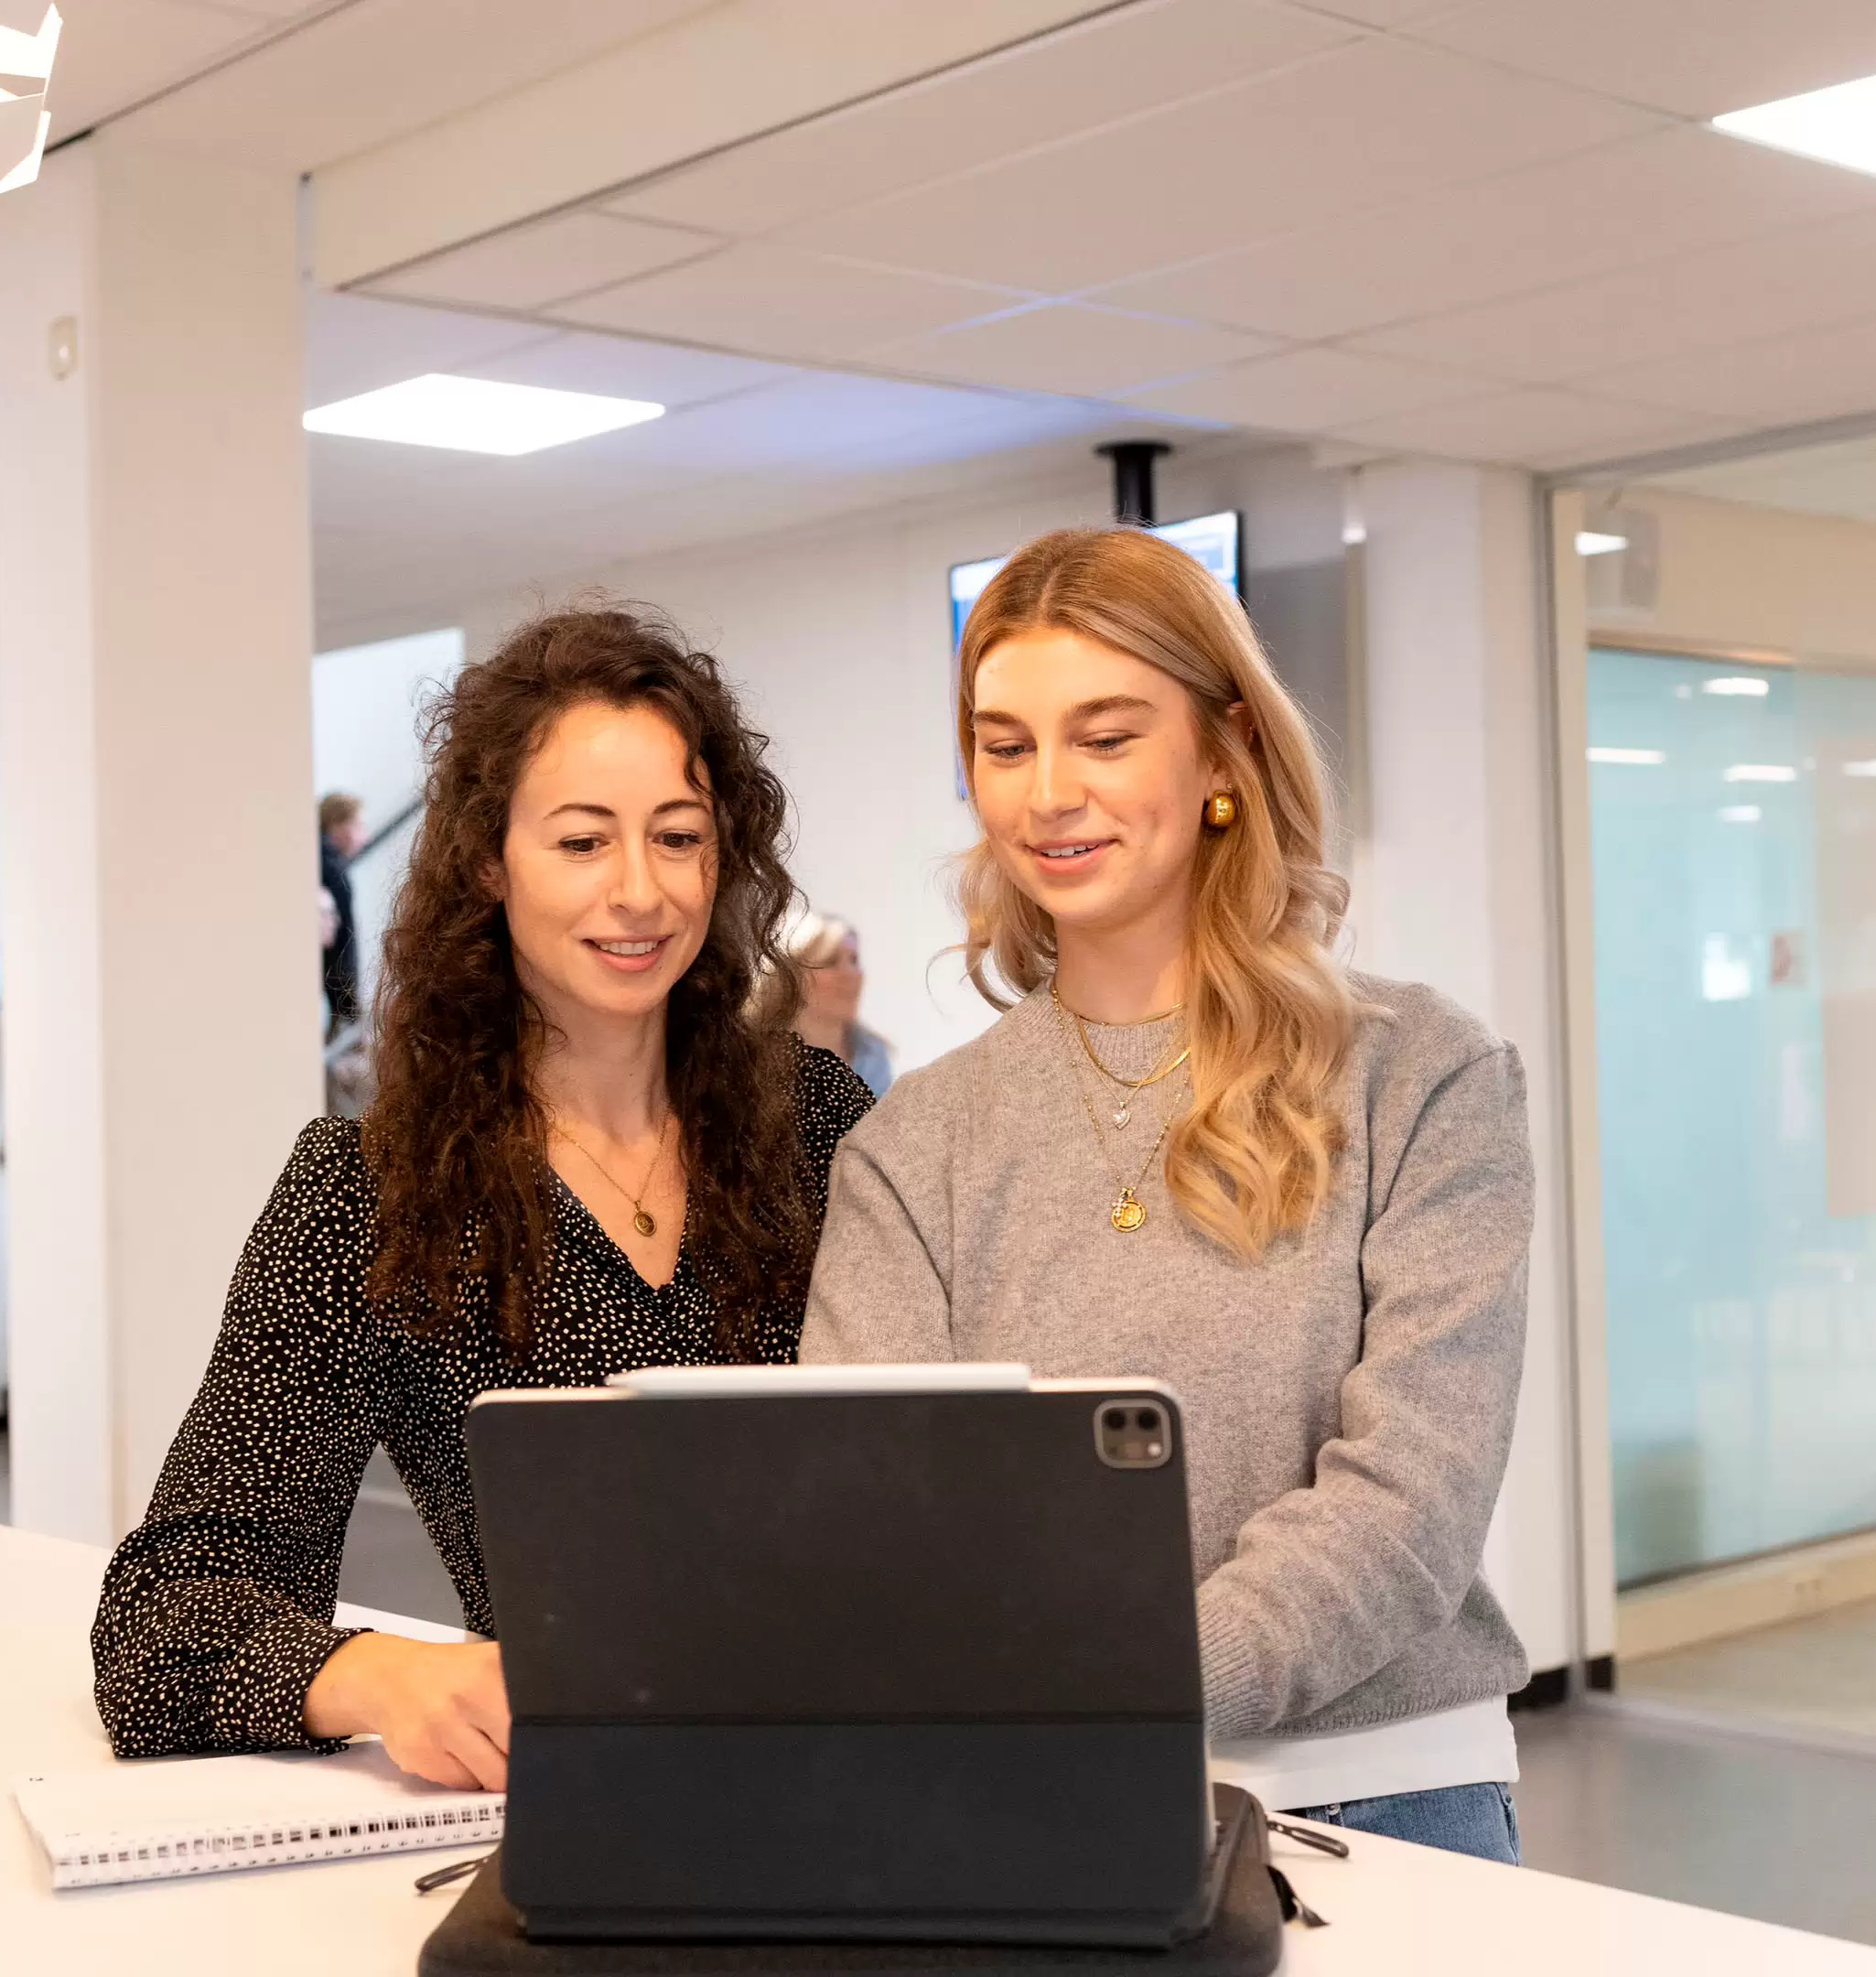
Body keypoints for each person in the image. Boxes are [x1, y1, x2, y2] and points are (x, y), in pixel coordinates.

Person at [801, 527, 1535, 1864]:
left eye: (1107, 734)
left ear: (1224, 752)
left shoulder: (1421, 1073)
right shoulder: (917, 1143)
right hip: (1031, 1799)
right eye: (1006, 745)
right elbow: (880, 1511)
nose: (1048, 794)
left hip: (1384, 1803)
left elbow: (1411, 1499)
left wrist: (1113, 1691)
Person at [92, 608, 873, 1788]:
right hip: (590, 1799)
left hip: (870, 1760)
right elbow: (160, 1620)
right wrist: (376, 1673)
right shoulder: (370, 1193)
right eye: (581, 842)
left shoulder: (817, 1126)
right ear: (485, 860)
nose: (640, 892)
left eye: (678, 836)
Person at [781, 911, 893, 1097]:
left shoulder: (874, 1053)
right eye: (830, 962)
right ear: (792, 978)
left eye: (854, 960)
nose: (850, 974)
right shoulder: (759, 1058)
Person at [319, 791, 367, 1033]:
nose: (364, 837)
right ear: (336, 825)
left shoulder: (320, 861)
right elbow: (342, 942)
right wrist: (349, 1003)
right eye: (357, 825)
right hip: (335, 986)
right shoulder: (333, 872)